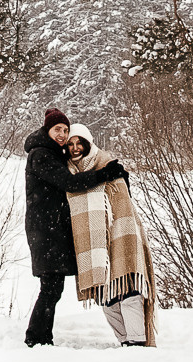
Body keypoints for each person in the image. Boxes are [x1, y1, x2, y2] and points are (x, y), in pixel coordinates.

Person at [22, 107, 126, 347]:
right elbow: (69, 182)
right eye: (58, 129)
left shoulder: (53, 153)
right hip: (45, 230)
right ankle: (36, 339)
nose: (62, 134)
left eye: (65, 130)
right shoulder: (41, 155)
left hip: (51, 228)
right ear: (48, 129)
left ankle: (40, 337)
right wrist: (104, 175)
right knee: (50, 287)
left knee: (52, 287)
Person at [66, 129, 156, 346]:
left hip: (122, 235)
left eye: (80, 143)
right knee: (107, 297)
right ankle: (126, 341)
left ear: (89, 143)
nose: (76, 148)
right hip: (93, 245)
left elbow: (124, 203)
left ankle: (138, 341)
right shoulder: (68, 174)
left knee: (130, 292)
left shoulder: (108, 164)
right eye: (71, 144)